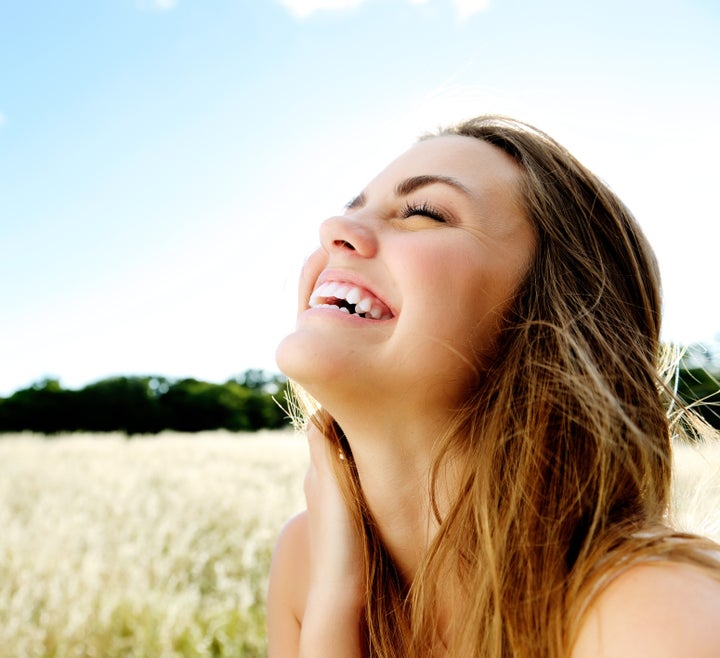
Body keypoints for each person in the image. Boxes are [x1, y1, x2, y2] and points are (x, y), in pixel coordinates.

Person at [266, 115, 720, 657]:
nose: (334, 230)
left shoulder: (658, 614)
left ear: (550, 318)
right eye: (351, 208)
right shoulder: (307, 561)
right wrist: (335, 610)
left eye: (423, 213)